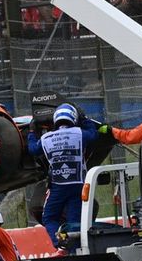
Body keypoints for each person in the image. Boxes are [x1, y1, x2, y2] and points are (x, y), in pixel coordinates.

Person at [27, 103, 99, 243]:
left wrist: (31, 132)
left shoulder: (46, 138)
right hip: (78, 184)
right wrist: (85, 119)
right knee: (74, 221)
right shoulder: (80, 133)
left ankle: (59, 241)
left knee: (49, 217)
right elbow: (93, 134)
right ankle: (73, 247)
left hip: (58, 186)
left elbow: (33, 149)